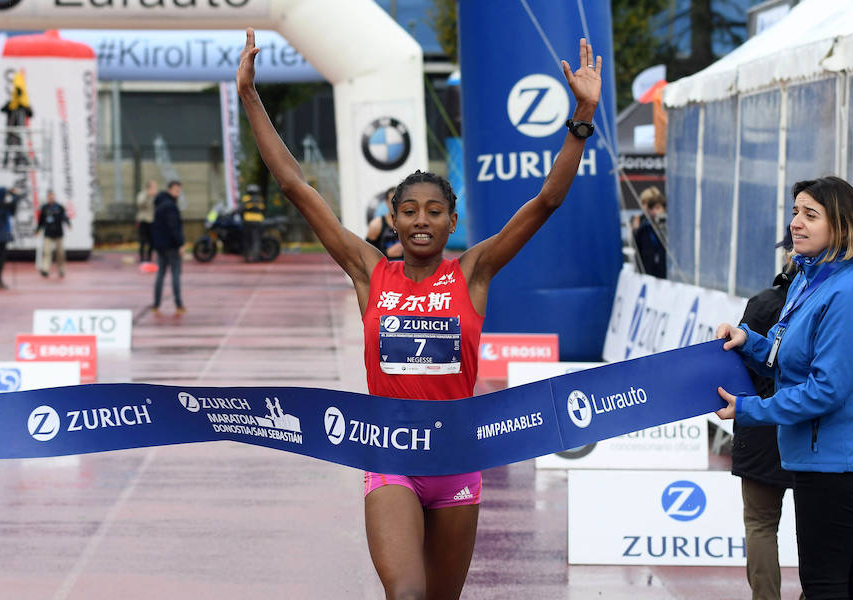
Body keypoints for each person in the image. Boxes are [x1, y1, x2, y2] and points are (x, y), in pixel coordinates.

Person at [238, 27, 601, 599]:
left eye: (434, 211)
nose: (421, 221)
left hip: (457, 459)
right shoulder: (370, 272)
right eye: (409, 211)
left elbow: (546, 201)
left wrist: (582, 117)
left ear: (453, 222)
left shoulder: (473, 273)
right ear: (394, 219)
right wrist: (250, 97)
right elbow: (295, 186)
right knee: (406, 592)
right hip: (390, 457)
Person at [716, 176, 853, 600]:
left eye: (810, 215)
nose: (795, 223)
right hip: (817, 457)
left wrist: (749, 409)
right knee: (840, 585)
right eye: (795, 212)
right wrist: (748, 342)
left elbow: (827, 390)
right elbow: (784, 355)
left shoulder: (848, 292)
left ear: (841, 226)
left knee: (825, 587)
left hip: (837, 462)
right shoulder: (808, 279)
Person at [730, 231, 799, 600]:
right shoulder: (833, 302)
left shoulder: (761, 304)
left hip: (758, 427)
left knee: (760, 525)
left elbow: (740, 369)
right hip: (809, 428)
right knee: (827, 526)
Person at [151, 180, 186, 314]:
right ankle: (179, 304)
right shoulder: (170, 206)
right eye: (176, 191)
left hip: (160, 245)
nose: (178, 193)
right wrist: (180, 243)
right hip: (171, 246)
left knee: (160, 274)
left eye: (179, 191)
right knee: (175, 274)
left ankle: (156, 304)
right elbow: (174, 227)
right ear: (170, 190)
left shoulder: (159, 203)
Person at [0, 186, 24, 290]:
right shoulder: (0, 204)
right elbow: (13, 203)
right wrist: (14, 194)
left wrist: (12, 194)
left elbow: (12, 210)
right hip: (0, 232)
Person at [632, 186, 667, 278]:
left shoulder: (664, 223)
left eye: (647, 203)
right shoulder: (642, 223)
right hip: (646, 270)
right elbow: (637, 247)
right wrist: (635, 230)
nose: (645, 207)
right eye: (643, 203)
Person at [34, 190, 71, 278]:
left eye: (52, 196)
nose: (51, 197)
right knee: (47, 252)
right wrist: (38, 230)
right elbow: (41, 221)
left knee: (60, 253)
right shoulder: (44, 207)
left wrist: (68, 223)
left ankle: (61, 270)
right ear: (48, 197)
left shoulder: (59, 207)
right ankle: (45, 269)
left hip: (58, 232)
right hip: (48, 232)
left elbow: (64, 217)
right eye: (50, 196)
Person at [365, 187, 402, 260]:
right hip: (386, 265)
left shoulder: (409, 223)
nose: (396, 205)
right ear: (386, 202)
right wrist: (386, 253)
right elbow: (367, 253)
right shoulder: (376, 225)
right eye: (393, 201)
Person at [239, 183, 266, 262]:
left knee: (247, 240)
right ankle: (255, 257)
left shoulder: (245, 199)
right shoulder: (260, 199)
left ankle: (247, 257)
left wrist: (241, 218)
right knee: (256, 240)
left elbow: (241, 210)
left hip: (248, 221)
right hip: (258, 221)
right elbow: (263, 210)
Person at [135, 180, 157, 264]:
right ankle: (141, 257)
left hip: (152, 220)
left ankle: (149, 257)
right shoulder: (143, 194)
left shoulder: (155, 196)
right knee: (143, 240)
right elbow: (140, 204)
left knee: (152, 241)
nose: (155, 188)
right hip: (143, 220)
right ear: (148, 187)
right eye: (153, 187)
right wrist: (148, 195)